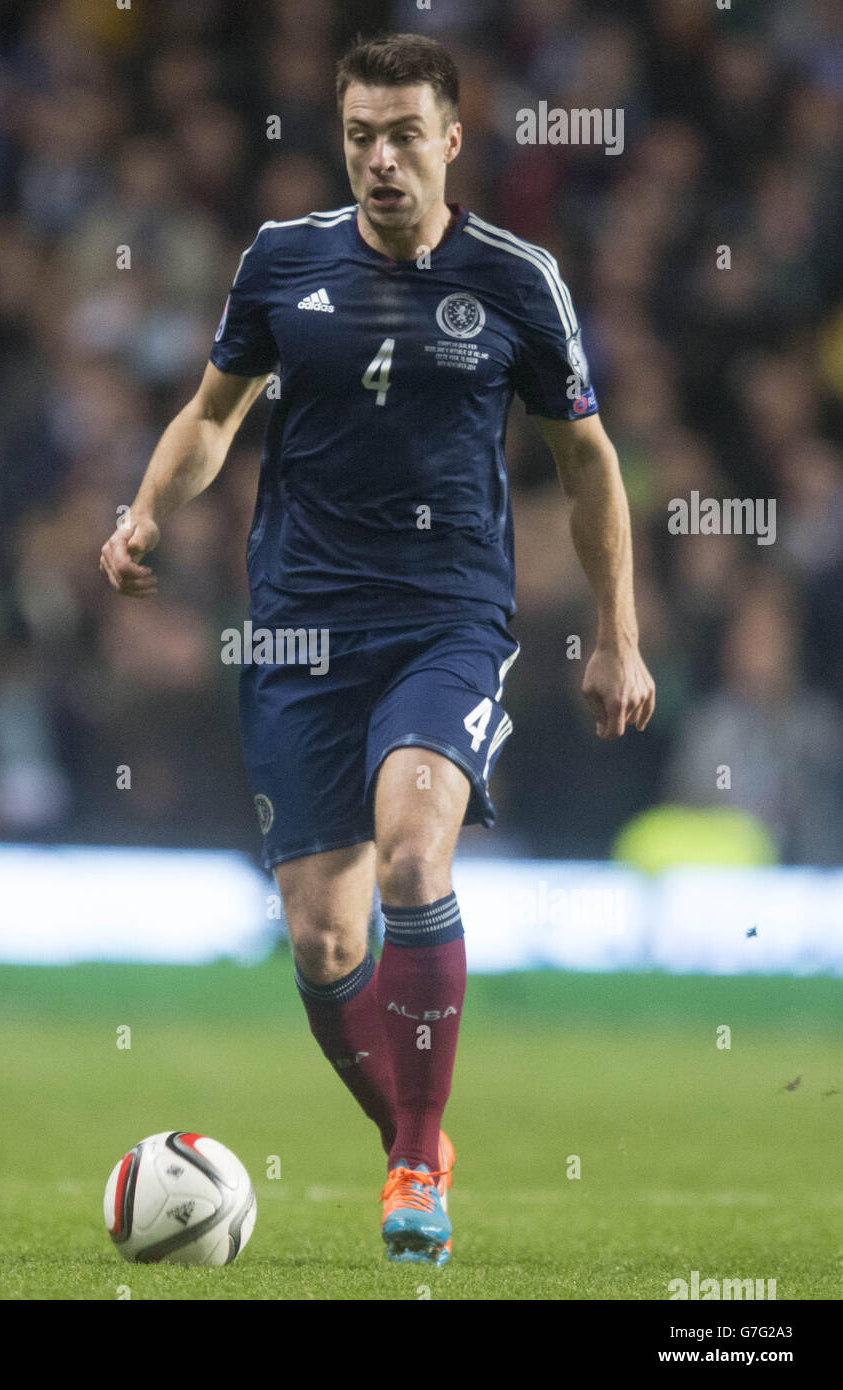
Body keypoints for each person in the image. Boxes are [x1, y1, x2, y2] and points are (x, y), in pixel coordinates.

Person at [100, 32, 655, 1265]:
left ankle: (412, 1159)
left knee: (413, 858)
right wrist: (145, 512)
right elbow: (210, 416)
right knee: (322, 938)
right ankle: (416, 1131)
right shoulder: (281, 264)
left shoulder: (517, 279)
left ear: (454, 139)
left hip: (446, 623)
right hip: (299, 628)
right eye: (359, 136)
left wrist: (616, 634)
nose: (381, 160)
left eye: (405, 134)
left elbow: (590, 463)